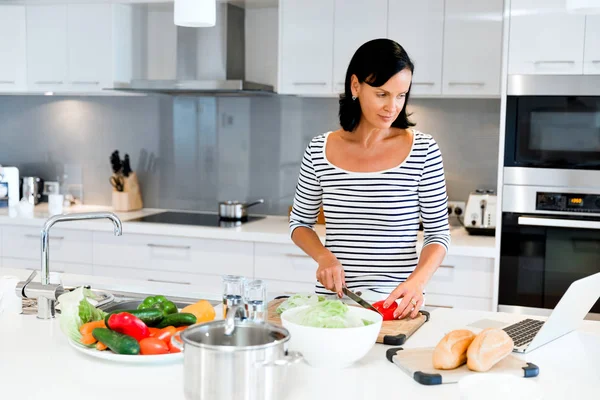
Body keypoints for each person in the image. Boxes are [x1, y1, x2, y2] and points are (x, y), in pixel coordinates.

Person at [288, 38, 450, 320]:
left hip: (396, 305)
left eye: (401, 95)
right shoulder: (319, 149)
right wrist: (324, 257)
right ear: (355, 86)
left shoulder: (423, 150)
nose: (393, 106)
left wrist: (417, 282)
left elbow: (438, 234)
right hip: (334, 305)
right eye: (382, 94)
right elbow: (300, 223)